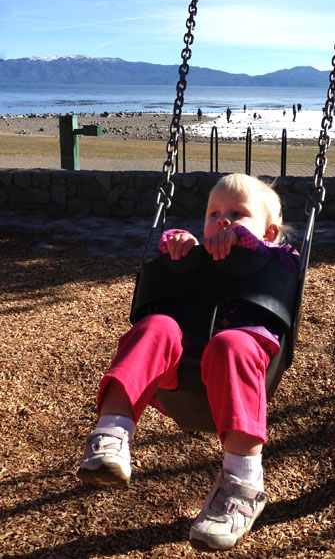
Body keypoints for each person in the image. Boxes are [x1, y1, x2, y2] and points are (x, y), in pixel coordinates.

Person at [76, 174, 299, 552]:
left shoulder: (279, 256)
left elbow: (282, 262)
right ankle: (111, 434)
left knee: (231, 344)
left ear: (271, 231)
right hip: (180, 373)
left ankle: (242, 484)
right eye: (214, 214)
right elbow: (171, 261)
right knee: (154, 326)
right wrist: (179, 247)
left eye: (237, 214)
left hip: (240, 363)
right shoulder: (200, 252)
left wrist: (245, 244)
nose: (223, 221)